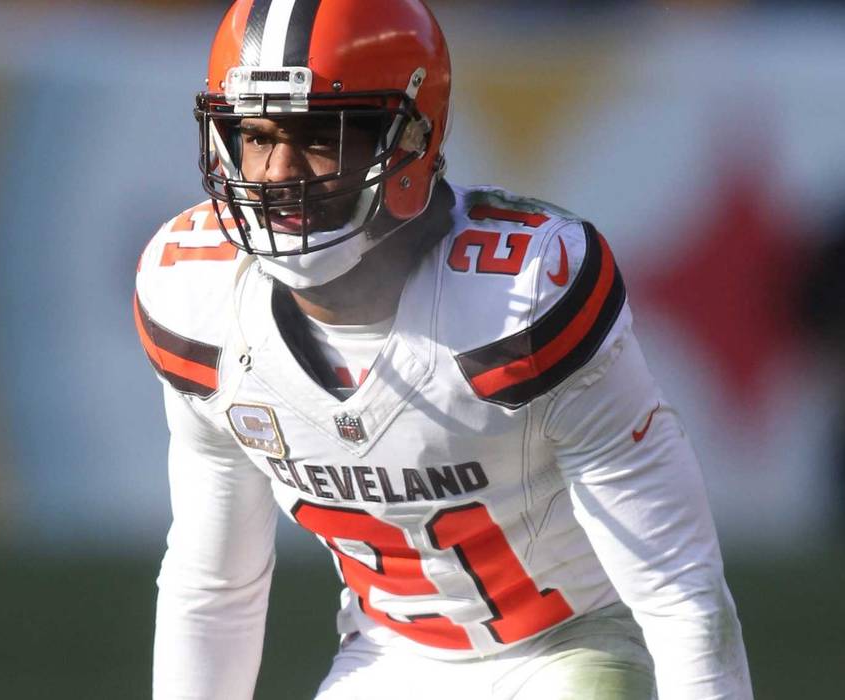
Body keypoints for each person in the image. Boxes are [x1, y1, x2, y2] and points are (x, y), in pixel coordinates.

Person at [135, 1, 753, 698]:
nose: (277, 172)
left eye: (317, 136)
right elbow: (213, 586)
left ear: (408, 140)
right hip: (386, 657)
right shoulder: (199, 302)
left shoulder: (521, 299)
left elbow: (680, 594)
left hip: (570, 644)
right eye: (255, 135)